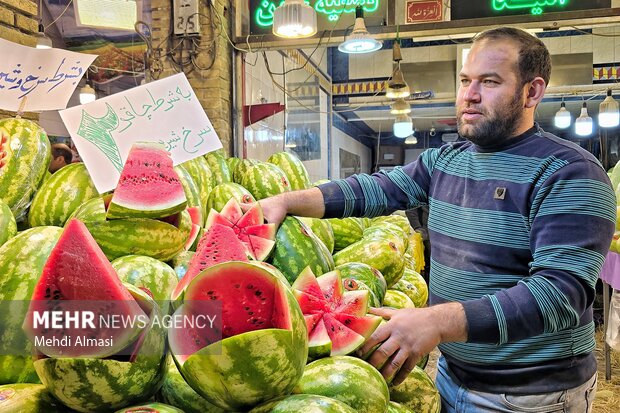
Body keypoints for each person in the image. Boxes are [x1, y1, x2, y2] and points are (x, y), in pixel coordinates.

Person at [259, 27, 615, 412]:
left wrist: (436, 323)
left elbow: (560, 294)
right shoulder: (446, 160)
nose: (469, 95)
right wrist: (284, 201)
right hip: (451, 375)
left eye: (489, 82)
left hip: (530, 395)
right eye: (465, 81)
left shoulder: (569, 172)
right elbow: (375, 190)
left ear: (532, 91)